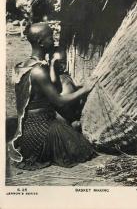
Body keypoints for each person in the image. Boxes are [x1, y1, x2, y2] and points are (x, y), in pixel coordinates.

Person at [9, 22, 96, 170]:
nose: (54, 40)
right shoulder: (38, 71)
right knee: (83, 149)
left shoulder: (23, 66)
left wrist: (52, 65)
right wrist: (85, 89)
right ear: (41, 42)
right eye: (50, 37)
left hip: (27, 132)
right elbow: (59, 101)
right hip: (41, 130)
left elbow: (50, 87)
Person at [50, 47, 85, 131]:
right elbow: (53, 80)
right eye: (57, 63)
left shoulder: (66, 76)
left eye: (63, 62)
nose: (61, 66)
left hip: (72, 112)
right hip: (63, 115)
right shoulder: (55, 78)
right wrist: (52, 64)